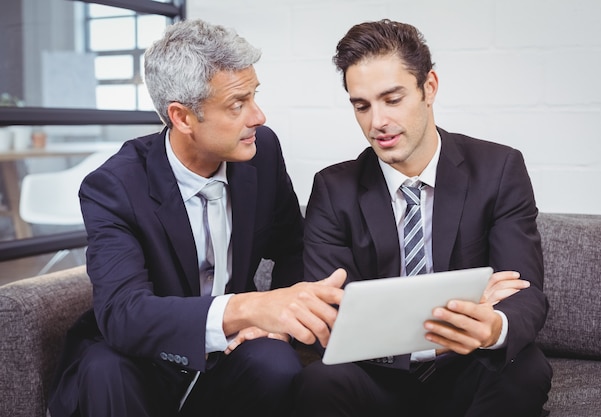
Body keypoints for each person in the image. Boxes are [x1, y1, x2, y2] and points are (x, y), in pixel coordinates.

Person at [47, 19, 345, 417]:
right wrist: (248, 308)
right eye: (237, 105)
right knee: (105, 369)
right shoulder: (115, 187)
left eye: (254, 96)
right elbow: (124, 313)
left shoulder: (263, 152)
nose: (258, 116)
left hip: (227, 353)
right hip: (142, 357)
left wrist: (275, 324)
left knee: (276, 362)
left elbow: (292, 246)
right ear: (183, 117)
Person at [292, 19, 552, 417]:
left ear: (428, 87)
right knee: (317, 383)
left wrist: (490, 325)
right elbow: (331, 316)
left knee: (526, 369)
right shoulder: (332, 189)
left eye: (392, 99)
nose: (376, 122)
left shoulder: (499, 169)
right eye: (361, 106)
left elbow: (524, 290)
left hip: (467, 364)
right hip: (376, 375)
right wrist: (450, 315)